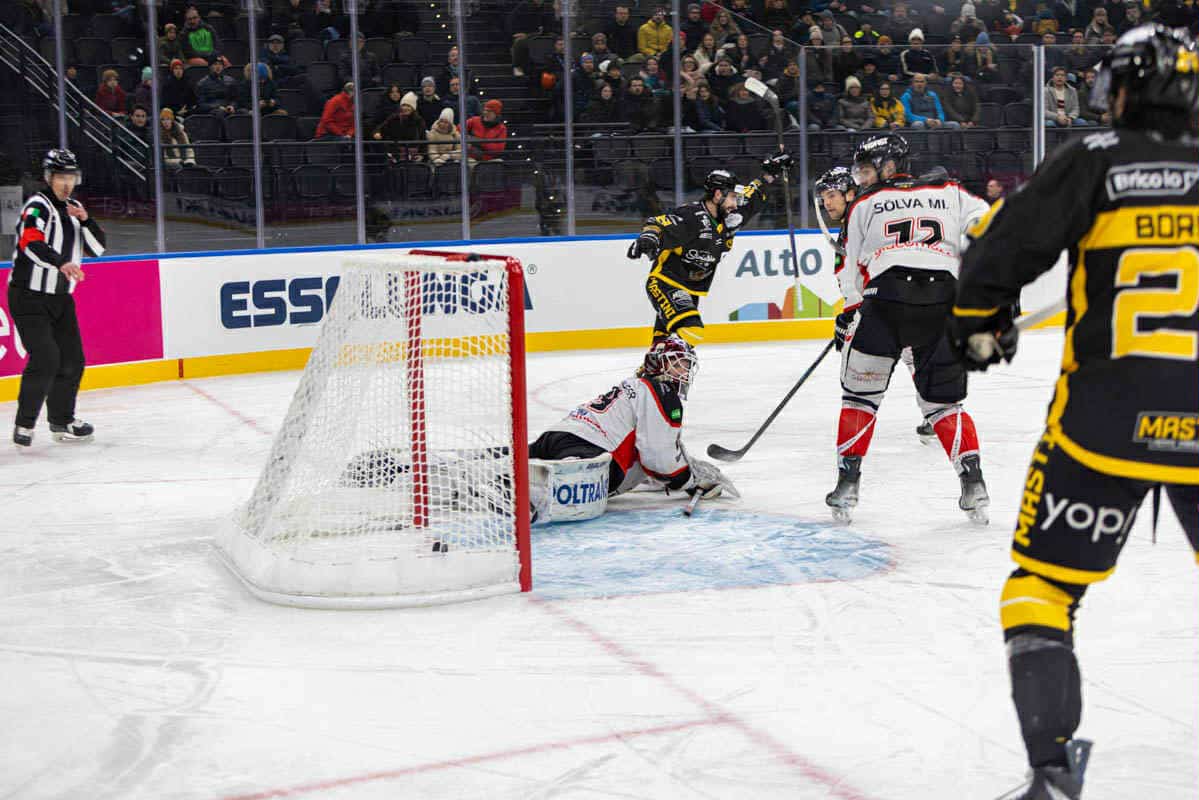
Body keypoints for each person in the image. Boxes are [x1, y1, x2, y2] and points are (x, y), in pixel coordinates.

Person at [948, 25, 1199, 800]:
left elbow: (999, 248)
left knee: (1040, 591)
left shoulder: (1094, 159)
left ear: (1125, 89)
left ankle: (1051, 773)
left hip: (1100, 426)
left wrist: (980, 324)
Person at [827, 133, 991, 522]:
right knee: (944, 404)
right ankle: (974, 484)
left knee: (860, 398)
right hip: (942, 302)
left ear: (887, 166)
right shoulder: (949, 190)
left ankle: (848, 484)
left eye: (867, 170)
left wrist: (851, 311)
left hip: (886, 302)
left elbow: (849, 267)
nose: (862, 179)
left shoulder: (864, 203)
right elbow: (987, 222)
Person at [527, 336, 732, 523]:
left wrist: (680, 470)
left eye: (687, 365)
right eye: (678, 363)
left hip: (559, 434)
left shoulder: (635, 385)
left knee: (518, 460)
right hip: (589, 450)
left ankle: (503, 466)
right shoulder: (663, 393)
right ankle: (523, 494)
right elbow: (657, 457)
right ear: (658, 363)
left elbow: (647, 456)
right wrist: (688, 480)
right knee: (561, 496)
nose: (684, 371)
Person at [626, 155, 791, 346]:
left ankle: (650, 374)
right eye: (731, 198)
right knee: (690, 331)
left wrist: (770, 174)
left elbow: (751, 194)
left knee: (668, 344)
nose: (735, 204)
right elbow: (659, 224)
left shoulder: (730, 217)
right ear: (718, 195)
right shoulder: (693, 216)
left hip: (690, 289)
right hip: (666, 282)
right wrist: (649, 237)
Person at [10, 150, 104, 448]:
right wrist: (60, 263)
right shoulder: (37, 206)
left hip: (61, 300)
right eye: (61, 177)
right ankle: (25, 424)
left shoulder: (75, 208)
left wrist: (87, 220)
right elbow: (29, 240)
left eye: (70, 177)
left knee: (73, 360)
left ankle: (61, 420)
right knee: (47, 357)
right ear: (49, 178)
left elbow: (98, 249)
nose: (66, 183)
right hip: (29, 297)